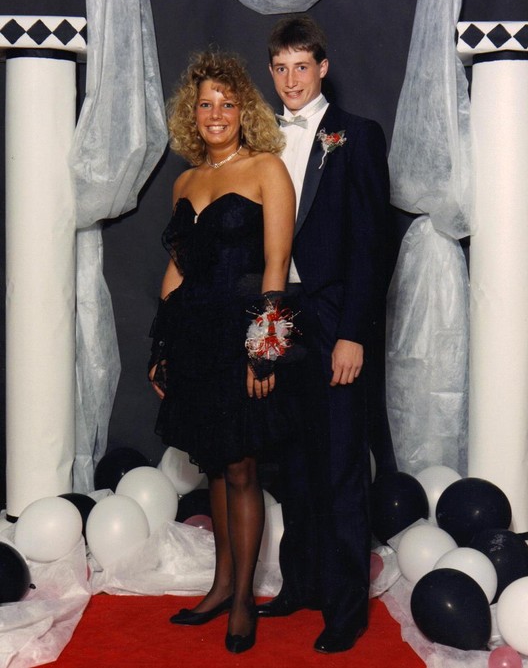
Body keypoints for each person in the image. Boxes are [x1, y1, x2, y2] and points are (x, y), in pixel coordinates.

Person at [148, 50, 295, 654]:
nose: (215, 114)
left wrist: (264, 349)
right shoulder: (185, 182)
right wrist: (161, 345)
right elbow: (177, 271)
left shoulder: (266, 169)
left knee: (241, 468)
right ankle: (220, 585)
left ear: (243, 111)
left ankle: (243, 603)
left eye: (227, 103)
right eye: (205, 104)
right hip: (193, 338)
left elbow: (277, 265)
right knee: (212, 462)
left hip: (241, 336)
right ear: (192, 113)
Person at [257, 15, 390, 654]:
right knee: (292, 461)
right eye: (281, 68)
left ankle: (345, 609)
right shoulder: (260, 137)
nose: (291, 81)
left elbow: (372, 243)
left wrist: (354, 333)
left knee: (339, 466)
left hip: (335, 319)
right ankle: (301, 583)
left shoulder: (356, 136)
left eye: (302, 67)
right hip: (279, 315)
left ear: (323, 68)